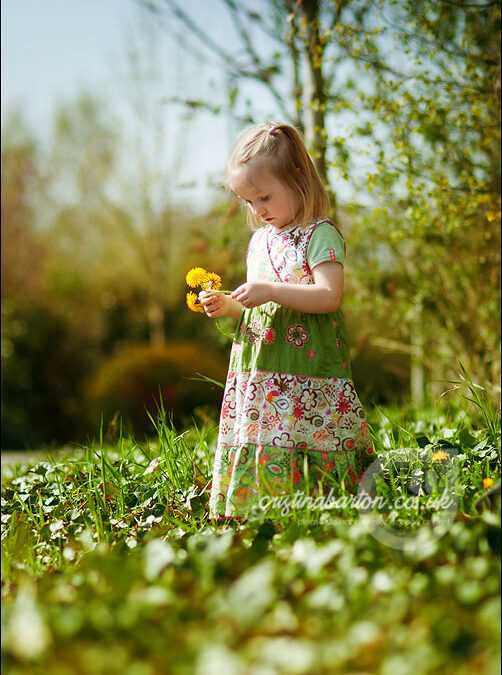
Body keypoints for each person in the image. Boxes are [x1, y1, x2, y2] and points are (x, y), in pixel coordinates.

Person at [200, 121, 374, 522]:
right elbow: (258, 307)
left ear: (298, 179)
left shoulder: (320, 233)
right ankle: (262, 509)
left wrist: (271, 291)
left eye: (263, 196)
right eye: (248, 201)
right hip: (262, 373)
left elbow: (329, 297)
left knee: (307, 432)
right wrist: (229, 305)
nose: (257, 210)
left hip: (308, 369)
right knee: (269, 435)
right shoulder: (259, 241)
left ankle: (323, 508)